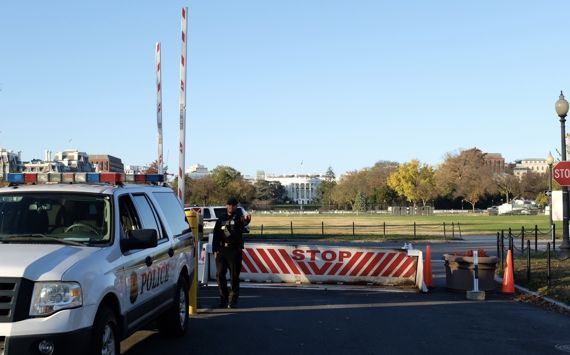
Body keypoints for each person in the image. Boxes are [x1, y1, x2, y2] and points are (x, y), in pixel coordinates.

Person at [212, 197, 251, 308]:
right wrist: (215, 249)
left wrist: (247, 220)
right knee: (220, 275)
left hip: (234, 251)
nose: (231, 207)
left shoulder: (239, 218)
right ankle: (223, 299)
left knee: (234, 277)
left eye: (233, 205)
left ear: (236, 206)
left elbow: (244, 222)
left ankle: (232, 301)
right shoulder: (221, 218)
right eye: (229, 204)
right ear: (226, 206)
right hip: (221, 250)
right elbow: (216, 234)